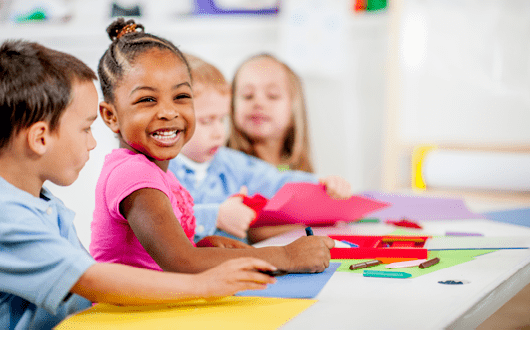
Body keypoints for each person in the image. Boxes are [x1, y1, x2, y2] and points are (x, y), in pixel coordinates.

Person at [0, 39, 278, 330]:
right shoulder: (8, 217)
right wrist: (203, 284)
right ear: (40, 138)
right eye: (85, 129)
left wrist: (199, 250)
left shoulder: (43, 204)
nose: (93, 143)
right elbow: (90, 279)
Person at [90, 18, 334, 274]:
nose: (168, 112)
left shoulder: (160, 173)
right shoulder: (134, 175)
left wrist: (207, 246)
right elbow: (182, 263)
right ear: (111, 116)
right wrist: (284, 255)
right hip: (128, 314)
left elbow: (170, 255)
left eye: (181, 97)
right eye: (147, 99)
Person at [169, 53, 352, 243]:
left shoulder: (232, 162)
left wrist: (322, 184)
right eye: (207, 121)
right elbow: (157, 219)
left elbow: (276, 181)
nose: (219, 132)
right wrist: (215, 216)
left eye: (223, 120)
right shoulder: (161, 169)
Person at [228, 53, 314, 172]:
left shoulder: (300, 175)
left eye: (272, 95)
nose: (258, 103)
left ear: (294, 108)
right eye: (248, 95)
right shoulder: (223, 169)